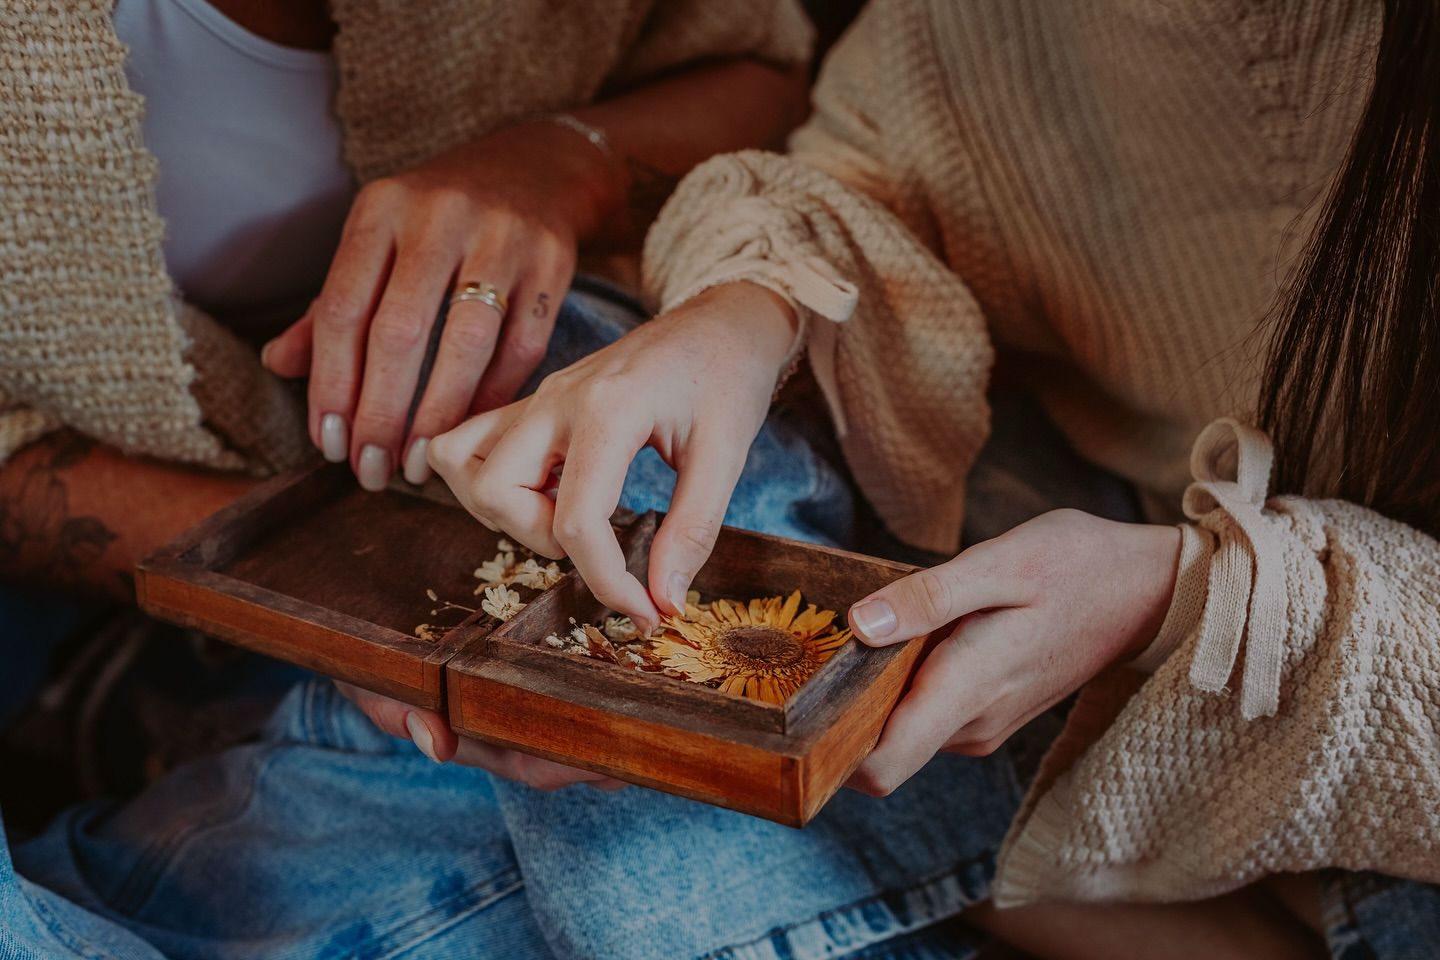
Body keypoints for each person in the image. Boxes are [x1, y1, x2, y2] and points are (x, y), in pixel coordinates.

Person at [411, 0, 1440, 957]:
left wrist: (1186, 605)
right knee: (601, 379)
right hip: (1082, 533)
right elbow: (876, 161)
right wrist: (755, 302)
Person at [0, 1, 824, 956]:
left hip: (540, 403)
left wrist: (563, 166)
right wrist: (314, 582)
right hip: (117, 549)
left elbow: (771, 83)